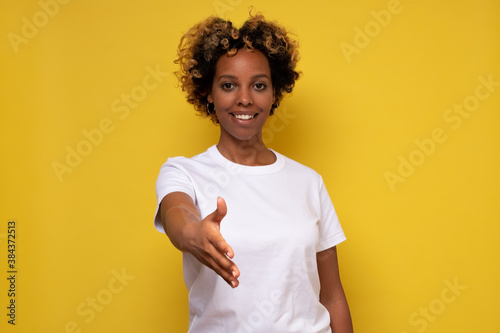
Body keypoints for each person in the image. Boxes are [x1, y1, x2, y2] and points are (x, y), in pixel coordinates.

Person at [154, 12, 353, 333]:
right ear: (208, 92)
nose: (244, 98)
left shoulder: (309, 182)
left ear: (274, 93)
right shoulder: (183, 171)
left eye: (258, 85)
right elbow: (178, 213)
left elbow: (332, 297)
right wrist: (193, 234)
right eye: (229, 85)